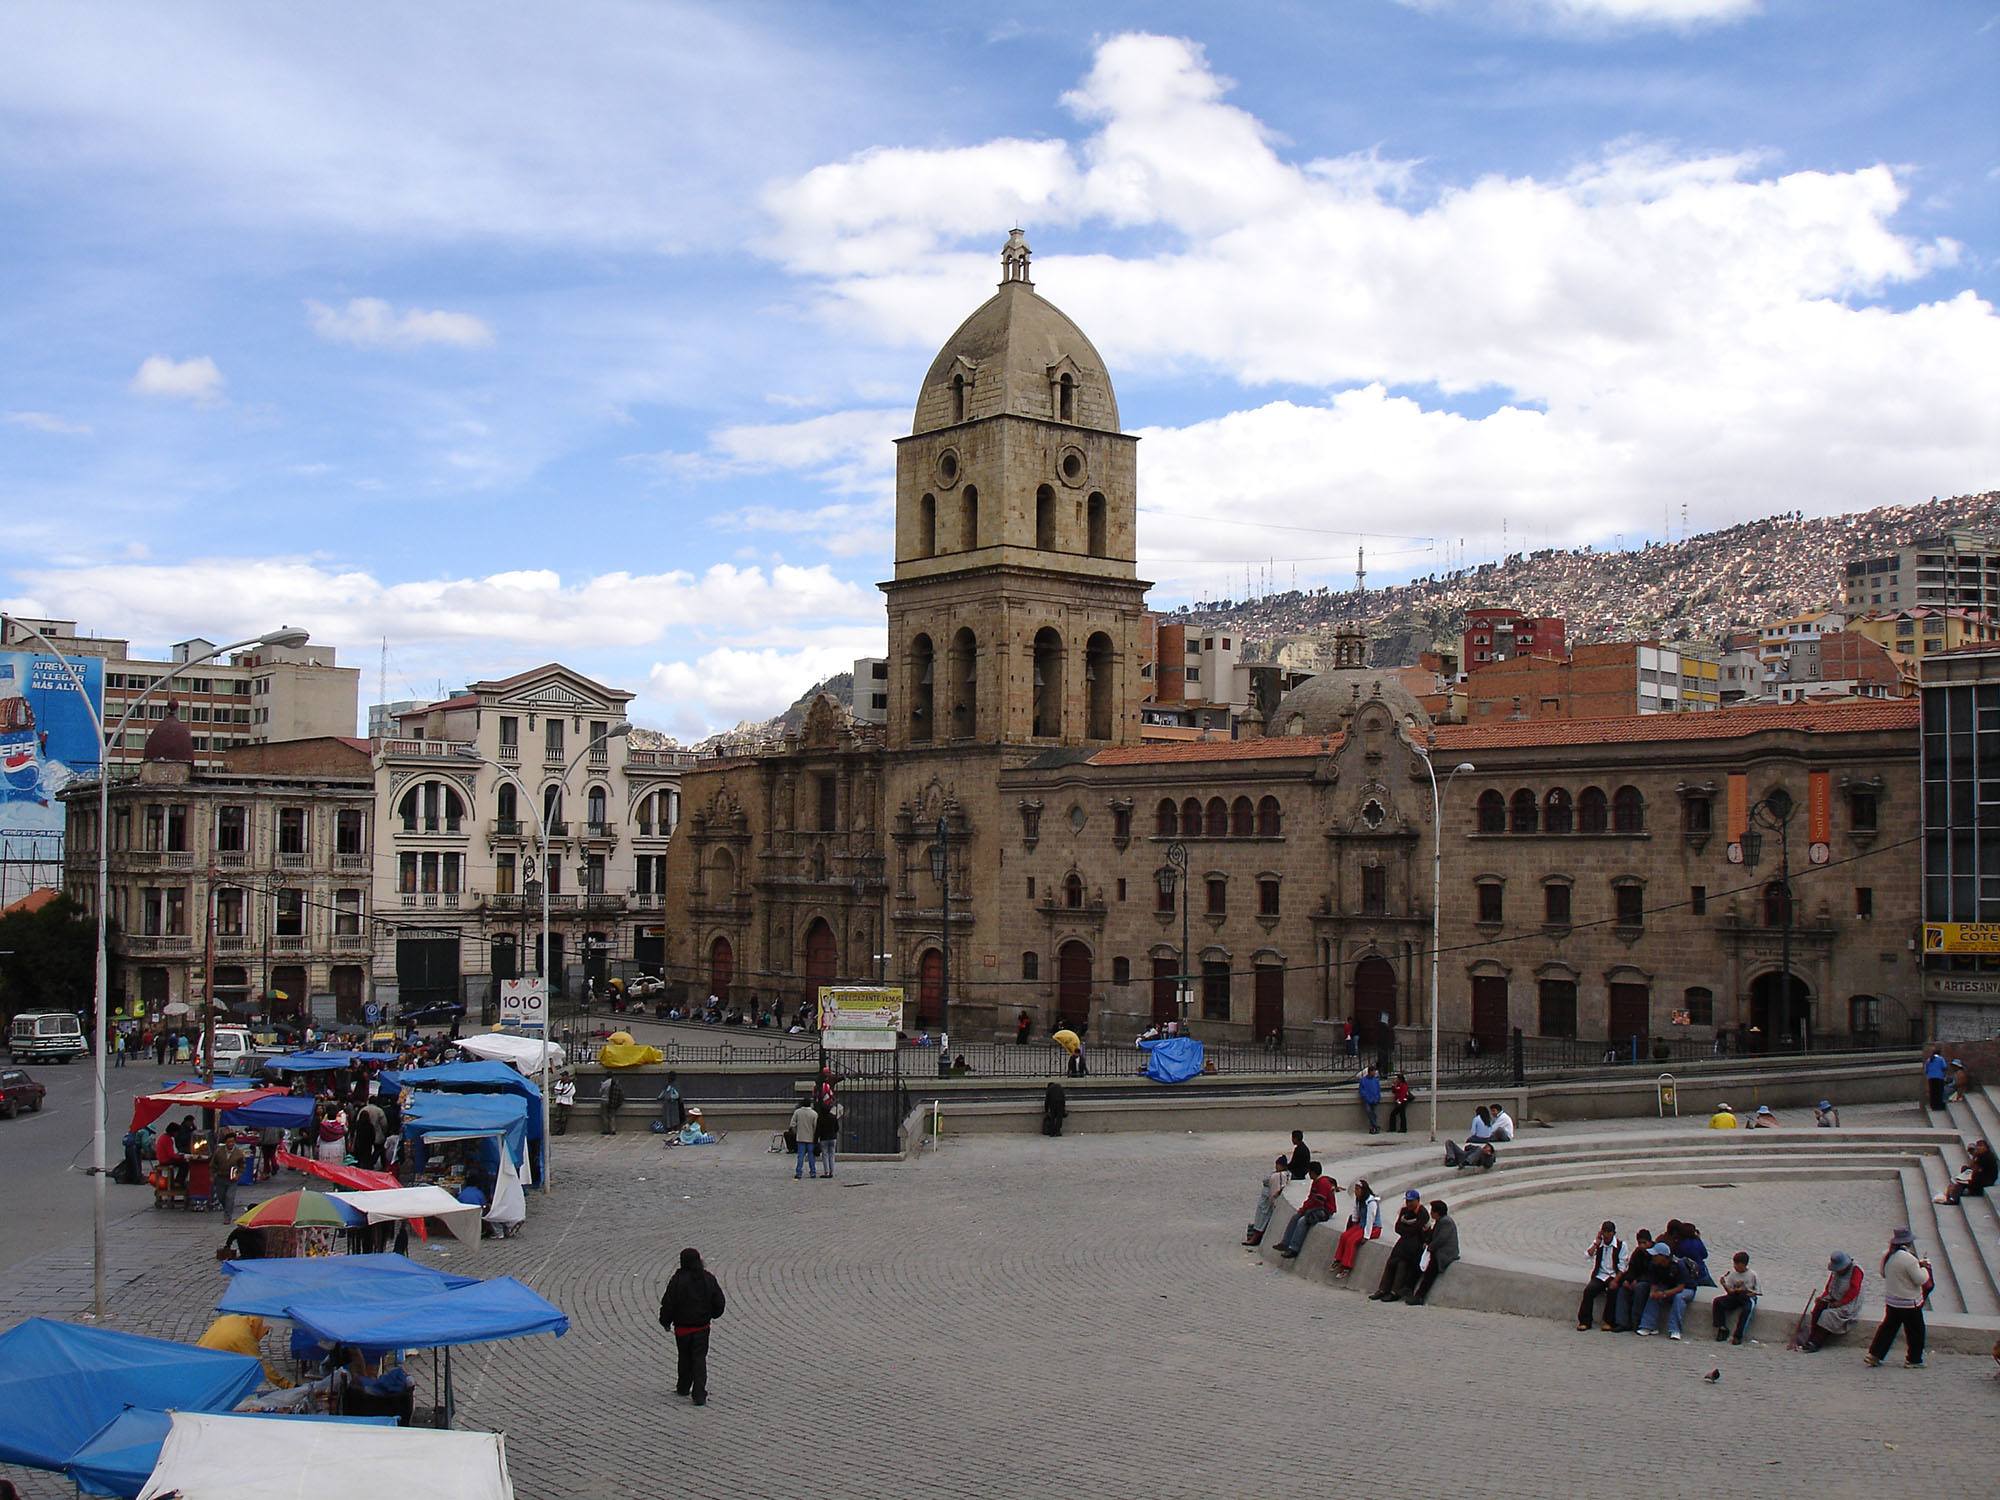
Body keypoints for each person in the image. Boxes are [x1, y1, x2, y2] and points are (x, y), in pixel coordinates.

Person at [658, 1247, 726, 1405]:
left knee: (684, 1357)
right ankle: (699, 1393)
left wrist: (665, 1321)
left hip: (682, 1329)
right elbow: (719, 1302)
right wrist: (711, 1315)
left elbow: (668, 1303)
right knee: (699, 1359)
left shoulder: (677, 1280)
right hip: (702, 1327)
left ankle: (683, 1386)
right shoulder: (707, 1278)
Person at [1864, 1228, 1932, 1368]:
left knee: (1887, 1328)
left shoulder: (1887, 1255)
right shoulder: (1909, 1259)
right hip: (1909, 1302)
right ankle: (1914, 1359)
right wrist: (1925, 1267)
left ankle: (1875, 1354)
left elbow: (1883, 1273)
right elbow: (1920, 1279)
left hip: (1892, 1300)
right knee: (1915, 1331)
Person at [1795, 1251, 1864, 1352]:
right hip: (1835, 1296)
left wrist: (1840, 1303)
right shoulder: (1836, 1271)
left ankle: (1816, 1342)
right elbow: (1829, 1287)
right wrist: (1823, 1297)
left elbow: (1854, 1290)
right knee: (1819, 1307)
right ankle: (1811, 1336)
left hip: (1849, 1302)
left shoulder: (1856, 1270)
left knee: (1828, 1315)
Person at [1370, 1191, 1428, 1301]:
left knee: (1402, 1264)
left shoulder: (1422, 1213)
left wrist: (1406, 1228)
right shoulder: (1404, 1211)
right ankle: (1383, 1289)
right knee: (1391, 1262)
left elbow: (1416, 1229)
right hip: (1403, 1242)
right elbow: (1398, 1228)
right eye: (1407, 1201)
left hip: (1415, 1246)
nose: (1408, 1203)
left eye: (1411, 1201)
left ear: (1417, 1201)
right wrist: (1408, 1229)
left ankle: (1395, 1292)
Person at [1275, 1163, 1338, 1259]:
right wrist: (1303, 1209)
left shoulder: (1323, 1183)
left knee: (1303, 1221)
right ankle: (1285, 1243)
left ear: (1312, 1172)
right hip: (1317, 1208)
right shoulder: (1317, 1182)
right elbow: (1311, 1199)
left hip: (1325, 1211)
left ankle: (1294, 1248)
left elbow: (1318, 1202)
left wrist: (1305, 1210)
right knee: (1295, 1217)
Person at [1401, 1201, 1459, 1305]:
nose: (1431, 1213)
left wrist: (1430, 1247)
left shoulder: (1446, 1222)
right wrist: (1427, 1242)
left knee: (1431, 1270)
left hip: (1445, 1253)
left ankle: (1420, 1296)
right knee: (1417, 1261)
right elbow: (1432, 1235)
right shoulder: (1439, 1221)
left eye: (1432, 1211)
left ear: (1437, 1213)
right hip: (1437, 1249)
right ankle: (1409, 1287)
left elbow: (1441, 1239)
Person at [1636, 1243, 1694, 1340]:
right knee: (1654, 1296)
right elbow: (1654, 1282)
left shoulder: (1678, 1265)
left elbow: (1681, 1287)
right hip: (1668, 1287)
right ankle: (1648, 1325)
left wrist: (1663, 1294)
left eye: (1655, 1255)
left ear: (1663, 1257)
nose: (1653, 1257)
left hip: (1686, 1289)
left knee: (1679, 1298)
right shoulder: (1654, 1265)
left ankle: (1675, 1329)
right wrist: (1653, 1292)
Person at [1330, 1177, 1382, 1277]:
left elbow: (1370, 1219)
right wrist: (1354, 1225)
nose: (1356, 1192)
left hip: (1372, 1228)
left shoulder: (1371, 1202)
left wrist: (1366, 1236)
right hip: (1361, 1225)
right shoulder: (1359, 1199)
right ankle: (1338, 1259)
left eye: (1358, 1190)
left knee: (1351, 1240)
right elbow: (1356, 1212)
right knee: (1345, 1236)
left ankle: (1347, 1266)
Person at [1578, 1220, 1624, 1330]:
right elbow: (1587, 1256)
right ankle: (1585, 1321)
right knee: (1589, 1291)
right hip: (1600, 1275)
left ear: (1613, 1233)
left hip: (1613, 1275)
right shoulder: (1599, 1244)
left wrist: (1616, 1280)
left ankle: (1609, 1321)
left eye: (1609, 1233)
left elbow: (1623, 1267)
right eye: (1604, 1232)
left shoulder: (1621, 1245)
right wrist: (1596, 1243)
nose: (1606, 1235)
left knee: (1613, 1291)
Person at [1609, 1230, 1656, 1331]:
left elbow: (1653, 1273)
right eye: (1640, 1243)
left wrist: (1638, 1280)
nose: (1642, 1246)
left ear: (1650, 1242)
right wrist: (1628, 1280)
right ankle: (1622, 1322)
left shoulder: (1655, 1253)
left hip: (1649, 1282)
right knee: (1623, 1290)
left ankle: (1636, 1322)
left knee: (1640, 1289)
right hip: (1637, 1280)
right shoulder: (1638, 1252)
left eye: (1644, 1243)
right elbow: (1632, 1269)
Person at [1711, 1251, 1759, 1344]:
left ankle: (1738, 1335)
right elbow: (1730, 1292)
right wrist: (1724, 1284)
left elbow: (1756, 1292)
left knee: (1746, 1310)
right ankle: (1722, 1327)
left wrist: (1744, 1290)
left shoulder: (1752, 1275)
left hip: (1747, 1297)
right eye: (1734, 1264)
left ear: (1744, 1265)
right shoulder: (1733, 1275)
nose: (1735, 1266)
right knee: (1718, 1302)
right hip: (1735, 1296)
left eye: (1737, 1264)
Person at [1244, 1154, 1291, 1247]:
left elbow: (1279, 1187)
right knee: (1260, 1219)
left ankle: (1255, 1238)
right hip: (1265, 1200)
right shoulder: (1280, 1174)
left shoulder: (1281, 1175)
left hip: (1268, 1202)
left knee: (1262, 1220)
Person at [1934, 1139, 1996, 1204]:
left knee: (1962, 1183)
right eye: (1978, 1146)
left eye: (1981, 1146)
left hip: (1986, 1180)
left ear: (1986, 1147)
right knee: (1963, 1171)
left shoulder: (1987, 1157)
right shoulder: (1979, 1156)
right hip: (1978, 1176)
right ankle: (1952, 1195)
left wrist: (1967, 1178)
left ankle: (1953, 1199)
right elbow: (1972, 1166)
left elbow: (1977, 1170)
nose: (1979, 1148)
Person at [211, 1131, 245, 1222]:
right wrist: (212, 1174)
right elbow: (213, 1164)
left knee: (230, 1197)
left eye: (232, 1142)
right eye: (229, 1142)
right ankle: (226, 1208)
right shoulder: (219, 1151)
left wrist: (239, 1175)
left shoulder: (239, 1153)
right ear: (225, 1142)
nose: (230, 1144)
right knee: (221, 1196)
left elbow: (242, 1166)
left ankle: (227, 1216)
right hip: (220, 1177)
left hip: (232, 1179)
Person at [789, 1097, 821, 1179]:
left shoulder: (797, 1112)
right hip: (811, 1138)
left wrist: (796, 1133)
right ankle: (813, 1172)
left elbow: (792, 1124)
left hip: (800, 1137)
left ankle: (799, 1172)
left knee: (800, 1156)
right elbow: (816, 1127)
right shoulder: (814, 1114)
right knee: (811, 1156)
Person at [814, 1095, 841, 1179]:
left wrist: (815, 1139)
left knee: (825, 1155)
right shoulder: (833, 1117)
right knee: (832, 1155)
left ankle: (826, 1172)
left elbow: (818, 1130)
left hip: (824, 1138)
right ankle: (832, 1171)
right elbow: (837, 1128)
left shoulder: (820, 1118)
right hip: (833, 1137)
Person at [1357, 1067, 1382, 1135]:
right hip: (1367, 1100)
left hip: (1374, 1099)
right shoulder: (1363, 1080)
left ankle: (1373, 1127)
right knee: (1369, 1112)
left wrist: (1377, 1097)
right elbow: (1362, 1091)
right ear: (1370, 1072)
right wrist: (1366, 1098)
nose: (1374, 1073)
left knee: (1373, 1113)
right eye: (1373, 1072)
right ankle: (1375, 1126)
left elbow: (1378, 1090)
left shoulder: (1376, 1080)